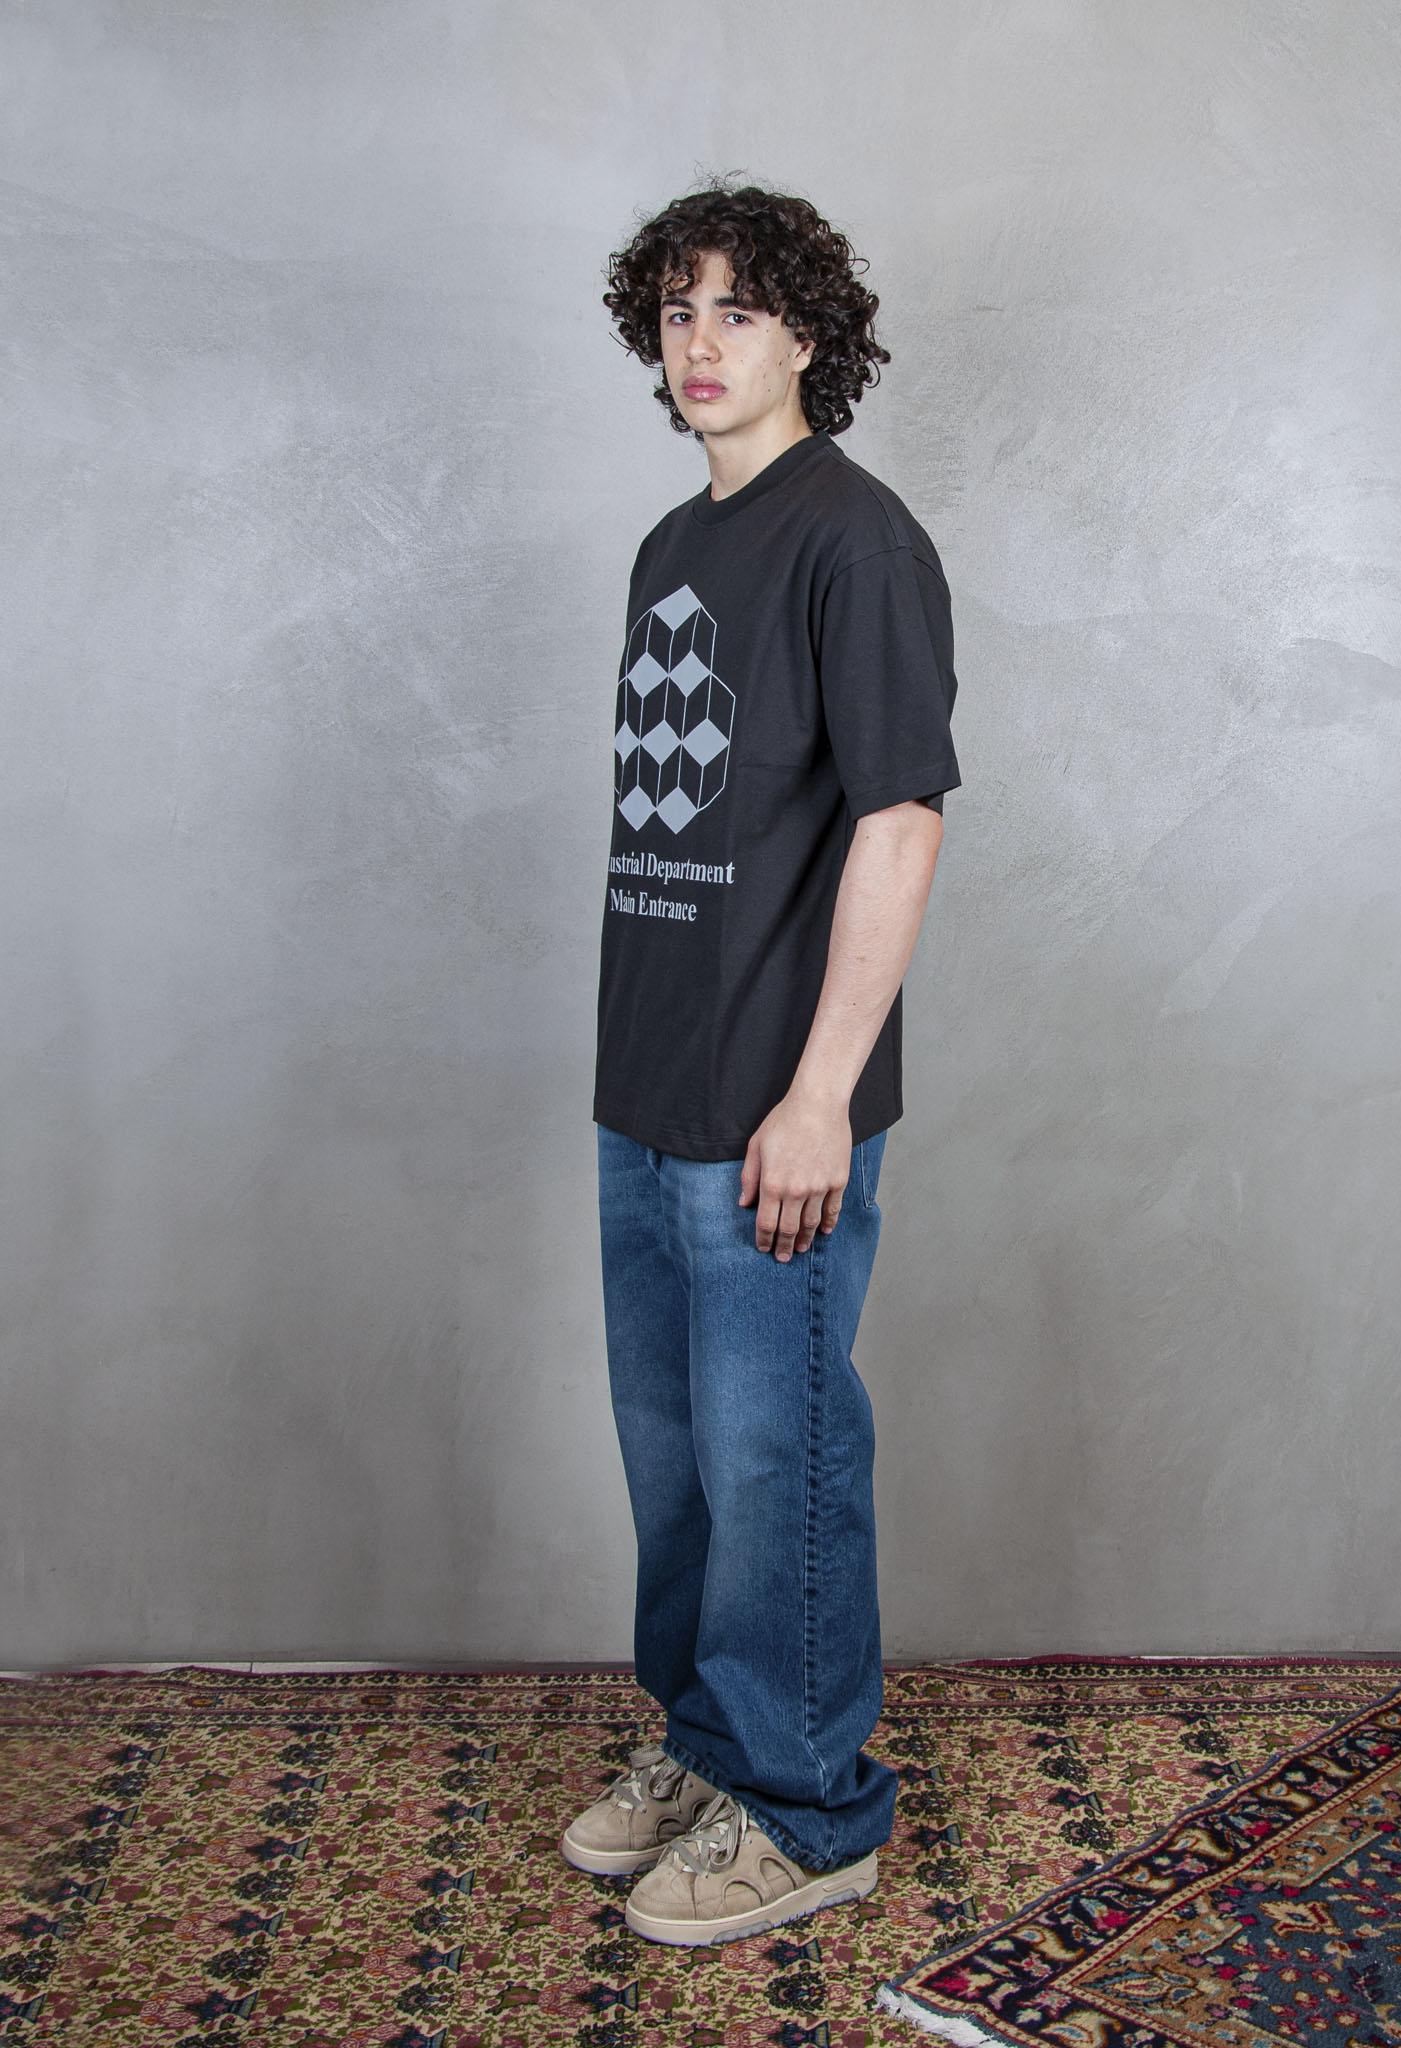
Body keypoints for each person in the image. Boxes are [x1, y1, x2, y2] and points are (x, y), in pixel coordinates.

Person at [560, 178, 962, 1948]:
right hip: (646, 1088)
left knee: (775, 1457)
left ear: (807, 332)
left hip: (772, 1109)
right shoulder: (674, 544)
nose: (700, 343)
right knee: (677, 1464)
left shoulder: (850, 540)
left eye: (737, 308)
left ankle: (809, 1810)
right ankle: (711, 1744)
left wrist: (817, 1097)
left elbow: (899, 819)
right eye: (675, 311)